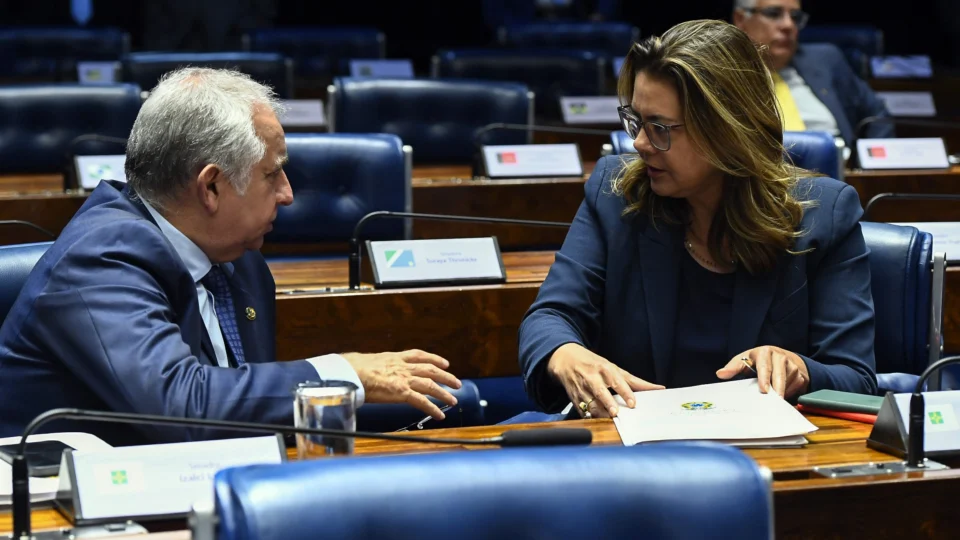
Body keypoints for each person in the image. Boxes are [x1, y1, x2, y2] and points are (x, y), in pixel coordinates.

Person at [0, 67, 461, 444]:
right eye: (273, 174)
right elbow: (182, 409)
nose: (288, 194)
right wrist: (344, 373)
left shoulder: (237, 257)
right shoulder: (100, 259)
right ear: (212, 186)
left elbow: (245, 412)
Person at [517, 19, 877, 420]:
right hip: (630, 450)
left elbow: (857, 378)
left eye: (659, 128)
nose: (638, 143)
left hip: (767, 456)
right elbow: (551, 316)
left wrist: (802, 370)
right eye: (636, 120)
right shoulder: (615, 194)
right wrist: (565, 354)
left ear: (727, 130)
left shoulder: (824, 214)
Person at [732, 0, 893, 146]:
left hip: (839, 170)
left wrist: (870, 164)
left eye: (795, 17)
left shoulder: (826, 59)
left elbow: (877, 114)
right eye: (773, 14)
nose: (788, 25)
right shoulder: (721, 72)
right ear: (741, 19)